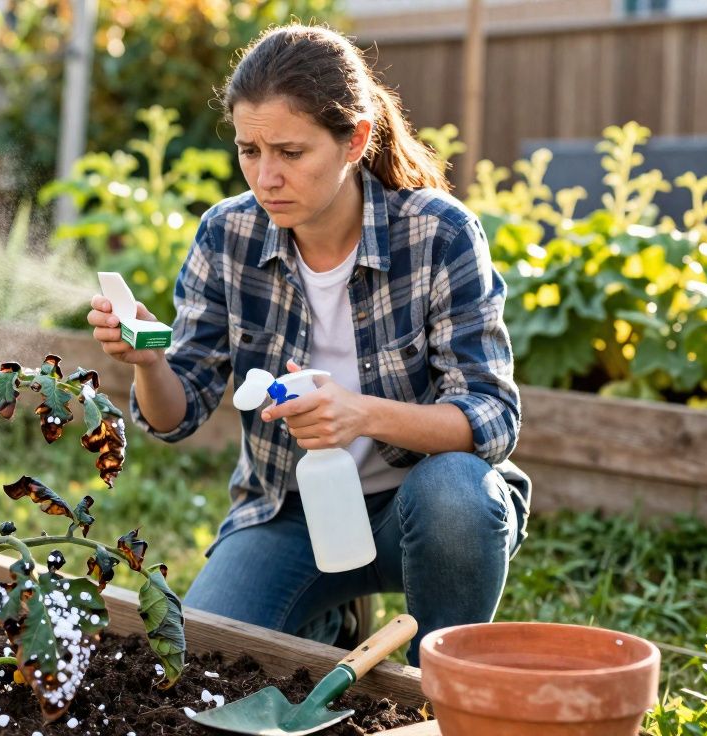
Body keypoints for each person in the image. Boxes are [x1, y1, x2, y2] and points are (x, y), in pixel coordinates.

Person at [86, 23, 530, 665]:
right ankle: (330, 623)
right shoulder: (228, 235)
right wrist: (150, 361)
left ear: (354, 139)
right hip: (290, 511)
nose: (266, 177)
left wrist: (361, 413)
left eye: (291, 153)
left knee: (460, 494)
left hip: (422, 504)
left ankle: (437, 681)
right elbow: (173, 418)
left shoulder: (438, 234)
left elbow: (492, 417)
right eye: (249, 151)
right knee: (208, 657)